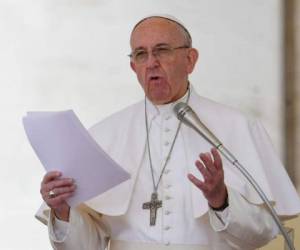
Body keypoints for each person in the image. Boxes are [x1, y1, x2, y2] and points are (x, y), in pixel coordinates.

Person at [36, 15, 300, 250]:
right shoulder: (105, 134)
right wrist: (62, 211)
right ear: (133, 67)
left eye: (162, 50)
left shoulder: (237, 126)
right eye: (141, 54)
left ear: (190, 60)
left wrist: (221, 201)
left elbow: (262, 234)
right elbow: (86, 247)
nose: (151, 62)